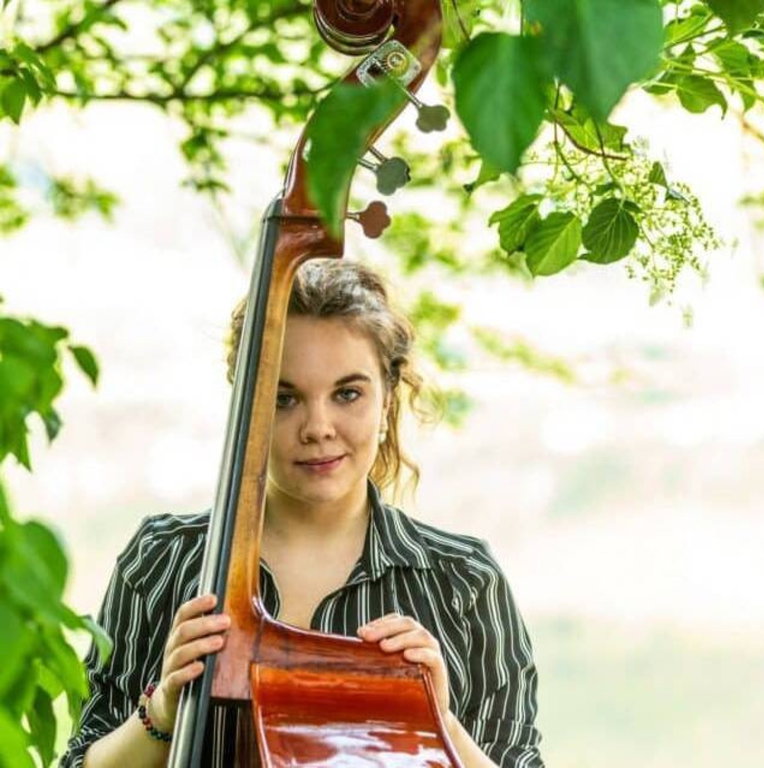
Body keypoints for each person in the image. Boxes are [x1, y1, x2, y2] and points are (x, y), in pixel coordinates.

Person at [61, 259, 543, 767]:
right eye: (285, 398)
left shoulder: (462, 580)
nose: (317, 426)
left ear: (387, 401)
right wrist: (160, 714)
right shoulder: (164, 558)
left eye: (348, 394)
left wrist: (438, 724)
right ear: (248, 405)